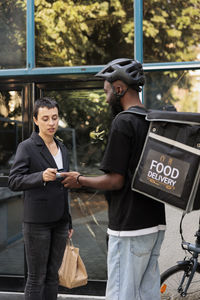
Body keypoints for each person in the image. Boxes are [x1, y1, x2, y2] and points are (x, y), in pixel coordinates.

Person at [61, 58, 166, 300]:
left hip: (129, 227)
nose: (107, 97)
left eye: (107, 91)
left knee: (121, 294)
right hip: (155, 223)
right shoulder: (152, 119)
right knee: (147, 293)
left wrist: (80, 179)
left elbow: (115, 181)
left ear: (119, 88)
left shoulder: (124, 122)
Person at [8, 97, 73, 300]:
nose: (51, 123)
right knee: (37, 277)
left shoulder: (62, 148)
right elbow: (14, 181)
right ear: (36, 120)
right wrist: (40, 177)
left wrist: (69, 220)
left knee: (53, 276)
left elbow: (64, 189)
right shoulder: (27, 147)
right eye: (45, 118)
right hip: (37, 223)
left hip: (61, 221)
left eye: (54, 118)